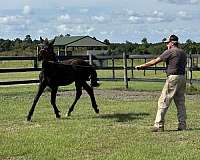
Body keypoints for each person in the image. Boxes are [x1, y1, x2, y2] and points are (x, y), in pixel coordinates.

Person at [135, 35, 187, 132]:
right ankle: (182, 125)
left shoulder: (170, 51)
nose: (167, 45)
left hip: (173, 78)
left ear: (171, 43)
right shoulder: (183, 52)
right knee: (180, 103)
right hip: (182, 77)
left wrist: (142, 66)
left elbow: (155, 61)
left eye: (168, 43)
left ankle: (158, 125)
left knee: (163, 101)